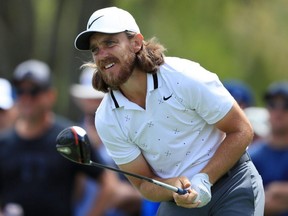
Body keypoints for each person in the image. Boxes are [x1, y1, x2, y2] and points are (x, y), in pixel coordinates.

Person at [74, 6, 265, 216]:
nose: (102, 55)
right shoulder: (107, 118)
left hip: (233, 183)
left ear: (136, 43)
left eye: (110, 43)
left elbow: (242, 130)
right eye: (95, 49)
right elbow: (143, 184)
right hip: (179, 199)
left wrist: (204, 178)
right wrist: (170, 185)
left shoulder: (183, 76)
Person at [0, 59, 121, 216]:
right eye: (20, 91)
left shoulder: (70, 137)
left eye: (34, 91)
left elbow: (109, 183)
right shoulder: (4, 142)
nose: (26, 98)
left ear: (51, 95)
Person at [70, 67, 142, 216]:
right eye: (90, 97)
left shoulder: (131, 133)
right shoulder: (73, 135)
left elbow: (146, 187)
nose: (94, 102)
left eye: (99, 97)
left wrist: (127, 194)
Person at [249, 81, 288, 216]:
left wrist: (279, 191)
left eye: (286, 105)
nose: (278, 111)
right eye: (272, 104)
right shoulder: (251, 156)